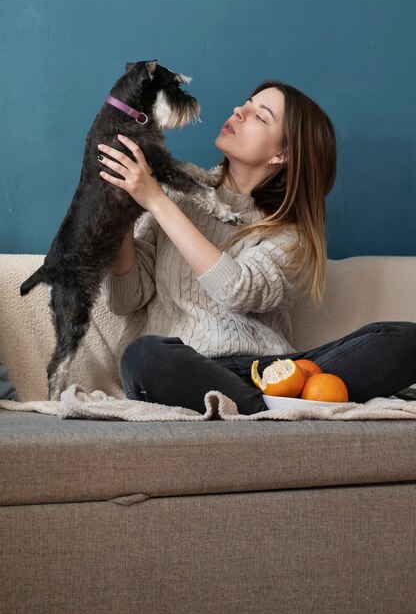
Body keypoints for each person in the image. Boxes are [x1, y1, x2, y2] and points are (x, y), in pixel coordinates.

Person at [97, 81, 416, 414]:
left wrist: (156, 201)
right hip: (187, 369)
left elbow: (237, 289)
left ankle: (261, 406)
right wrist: (119, 211)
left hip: (272, 371)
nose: (239, 111)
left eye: (259, 116)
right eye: (245, 103)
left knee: (405, 340)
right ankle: (276, 412)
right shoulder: (177, 194)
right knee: (142, 357)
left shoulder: (290, 234)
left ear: (283, 154)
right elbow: (126, 298)